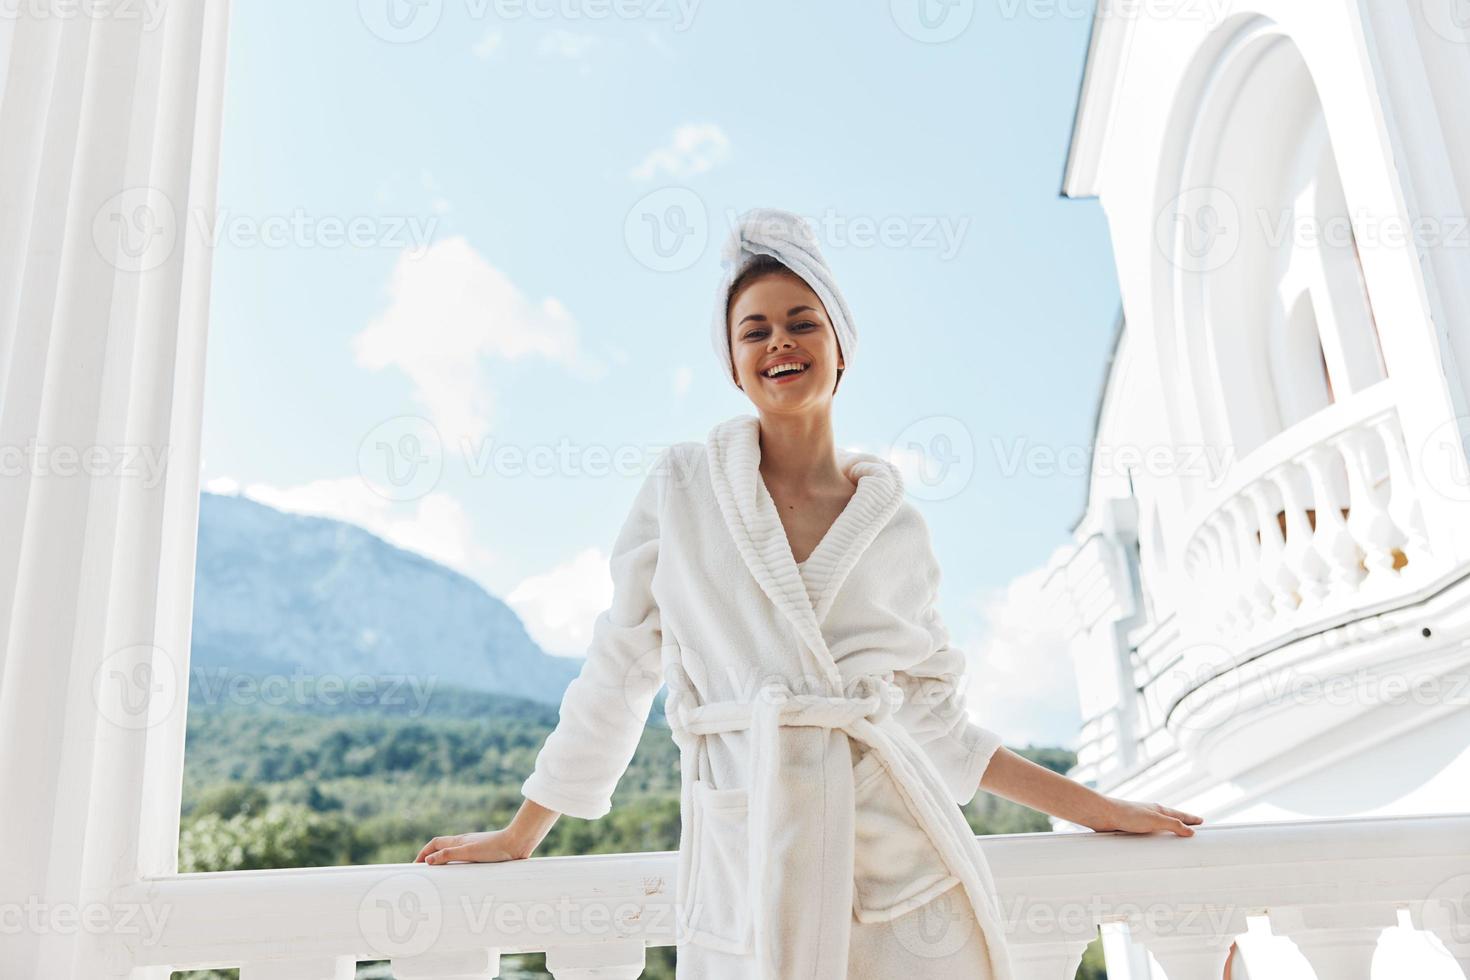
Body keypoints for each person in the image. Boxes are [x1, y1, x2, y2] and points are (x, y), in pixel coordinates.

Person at [415, 207, 1203, 978]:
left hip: (893, 865)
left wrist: (1099, 809)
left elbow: (938, 726)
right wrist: (525, 831)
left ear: (841, 347)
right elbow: (620, 669)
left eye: (803, 322)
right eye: (754, 330)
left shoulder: (894, 531)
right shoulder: (684, 488)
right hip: (745, 853)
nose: (779, 342)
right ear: (733, 363)